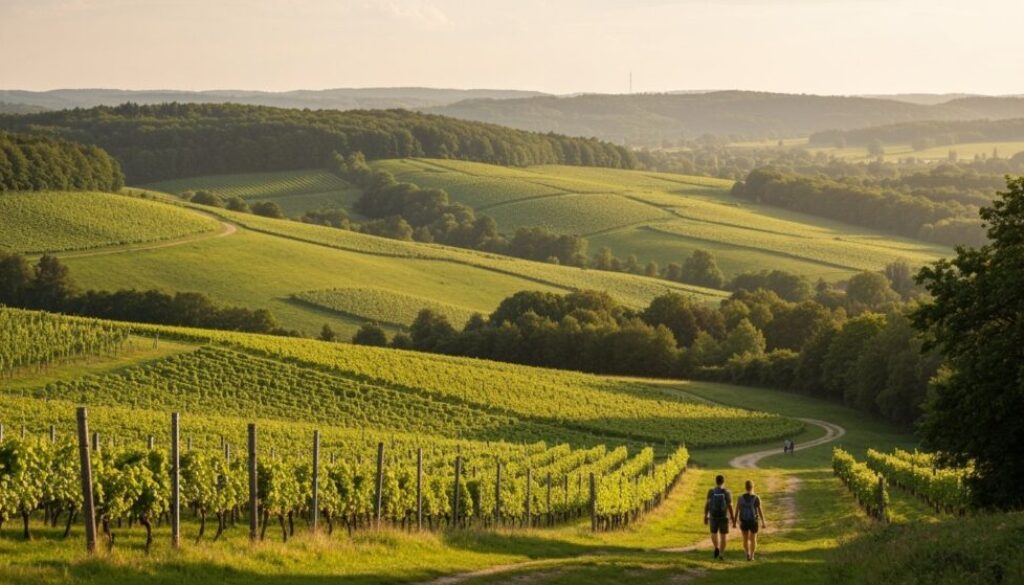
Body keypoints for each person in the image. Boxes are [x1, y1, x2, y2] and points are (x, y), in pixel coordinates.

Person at [703, 474, 736, 560]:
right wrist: (733, 519)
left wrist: (705, 516)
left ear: (716, 481)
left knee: (713, 533)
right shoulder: (727, 492)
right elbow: (730, 506)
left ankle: (716, 547)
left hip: (713, 516)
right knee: (723, 536)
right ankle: (721, 554)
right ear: (723, 482)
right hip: (724, 517)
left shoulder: (711, 491)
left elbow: (707, 504)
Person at [738, 479, 767, 561]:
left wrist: (736, 520)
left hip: (744, 521)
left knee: (745, 538)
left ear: (745, 487)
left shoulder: (741, 498)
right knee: (753, 539)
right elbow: (760, 511)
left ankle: (747, 553)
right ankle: (752, 555)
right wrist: (763, 522)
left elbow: (739, 509)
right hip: (753, 521)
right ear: (752, 487)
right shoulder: (756, 498)